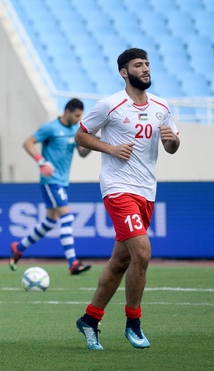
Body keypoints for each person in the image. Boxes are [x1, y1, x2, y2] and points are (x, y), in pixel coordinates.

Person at [73, 48, 180, 350]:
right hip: (118, 188)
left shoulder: (162, 106)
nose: (145, 69)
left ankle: (90, 319)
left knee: (120, 261)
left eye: (147, 64)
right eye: (138, 65)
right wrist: (110, 148)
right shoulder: (110, 104)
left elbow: (172, 147)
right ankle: (133, 323)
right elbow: (81, 136)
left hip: (147, 190)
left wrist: (173, 141)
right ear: (124, 72)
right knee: (142, 252)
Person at [9, 98, 92, 275]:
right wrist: (41, 161)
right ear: (68, 111)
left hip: (63, 182)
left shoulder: (74, 131)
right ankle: (73, 263)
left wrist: (91, 142)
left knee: (50, 222)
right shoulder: (51, 128)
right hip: (51, 181)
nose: (79, 119)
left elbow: (82, 153)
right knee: (67, 217)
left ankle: (19, 247)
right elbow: (28, 142)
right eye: (77, 115)